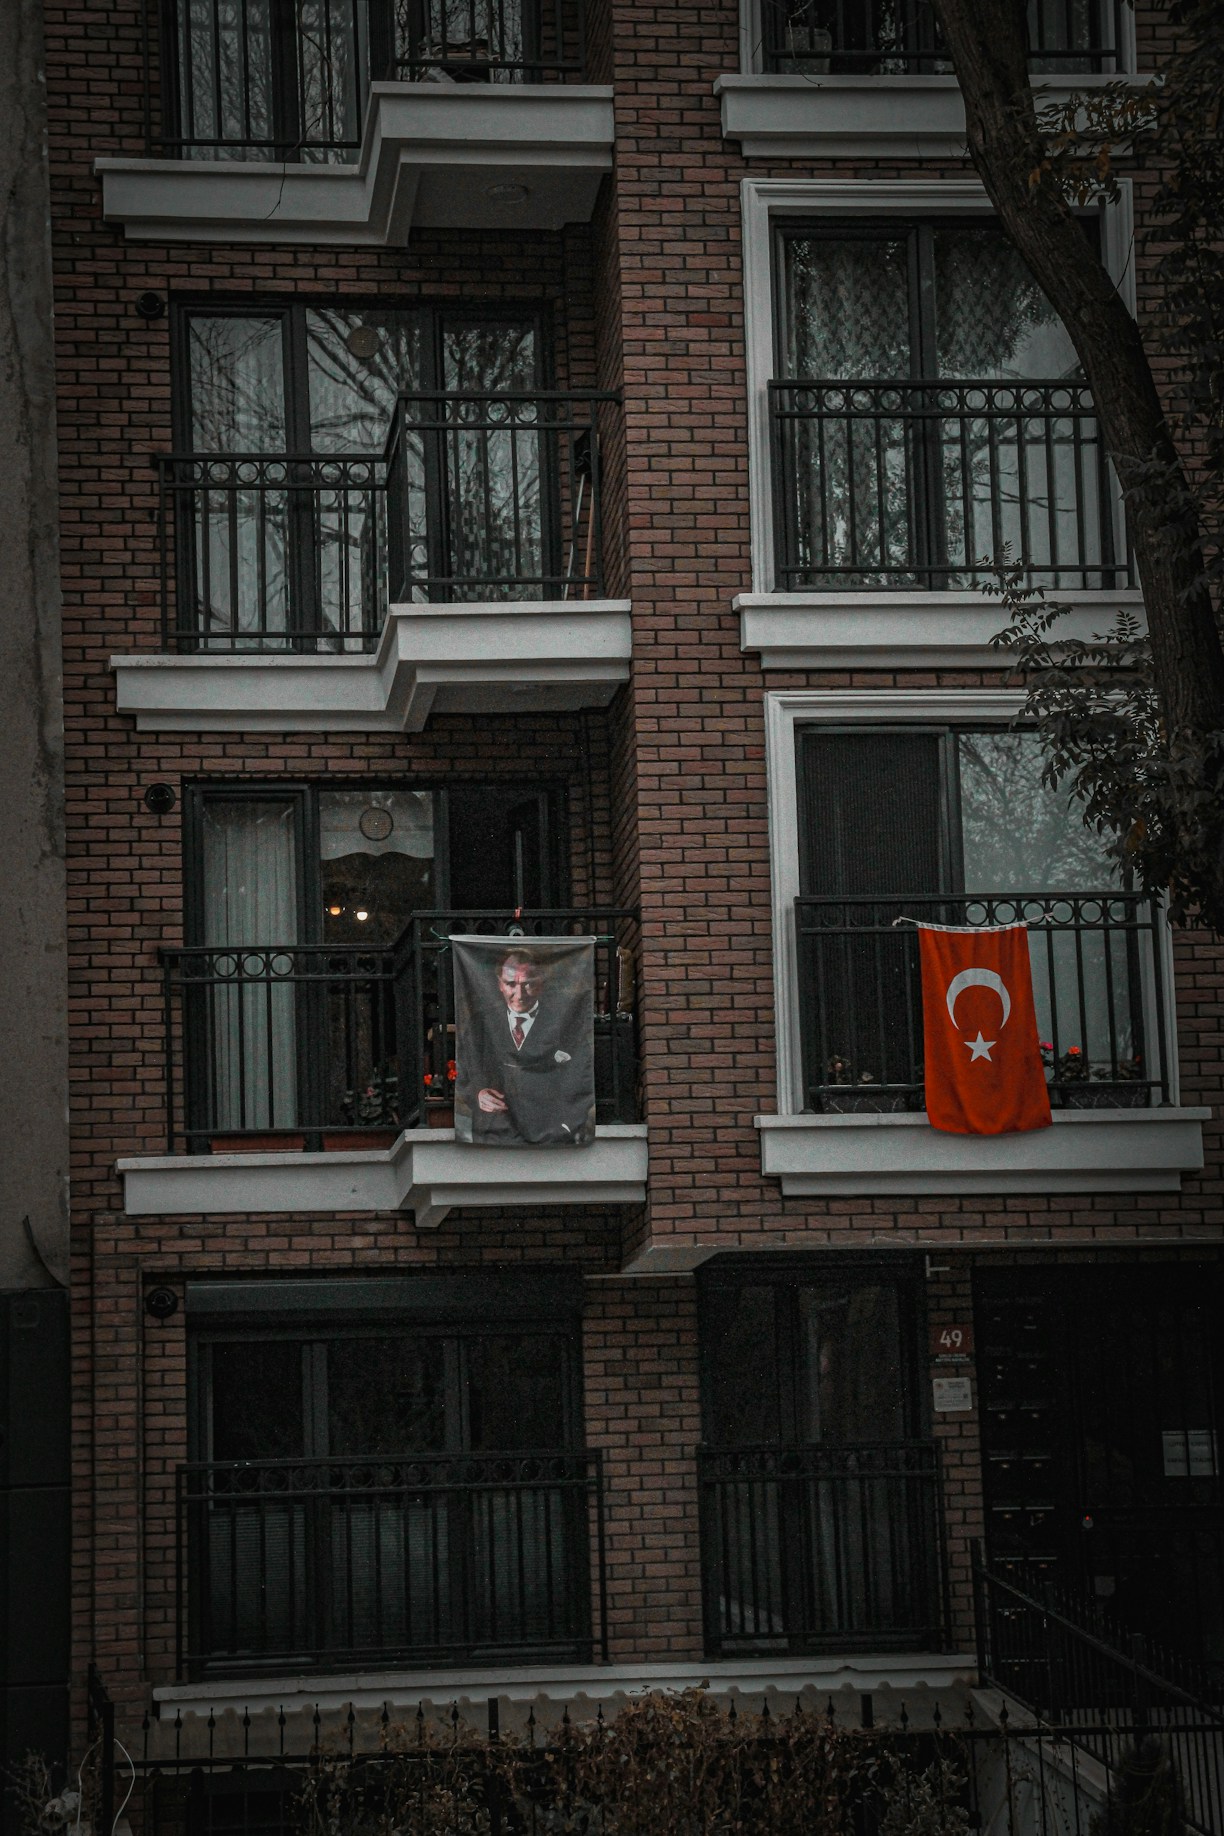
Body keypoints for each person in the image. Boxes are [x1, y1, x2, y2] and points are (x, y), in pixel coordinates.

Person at [454, 945, 596, 1146]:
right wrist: (478, 1094)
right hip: (492, 1134)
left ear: (541, 983)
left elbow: (582, 1075)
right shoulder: (480, 1024)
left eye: (527, 984)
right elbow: (464, 1074)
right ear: (499, 984)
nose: (519, 995)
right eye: (511, 984)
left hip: (552, 1137)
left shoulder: (565, 1022)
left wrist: (565, 1125)